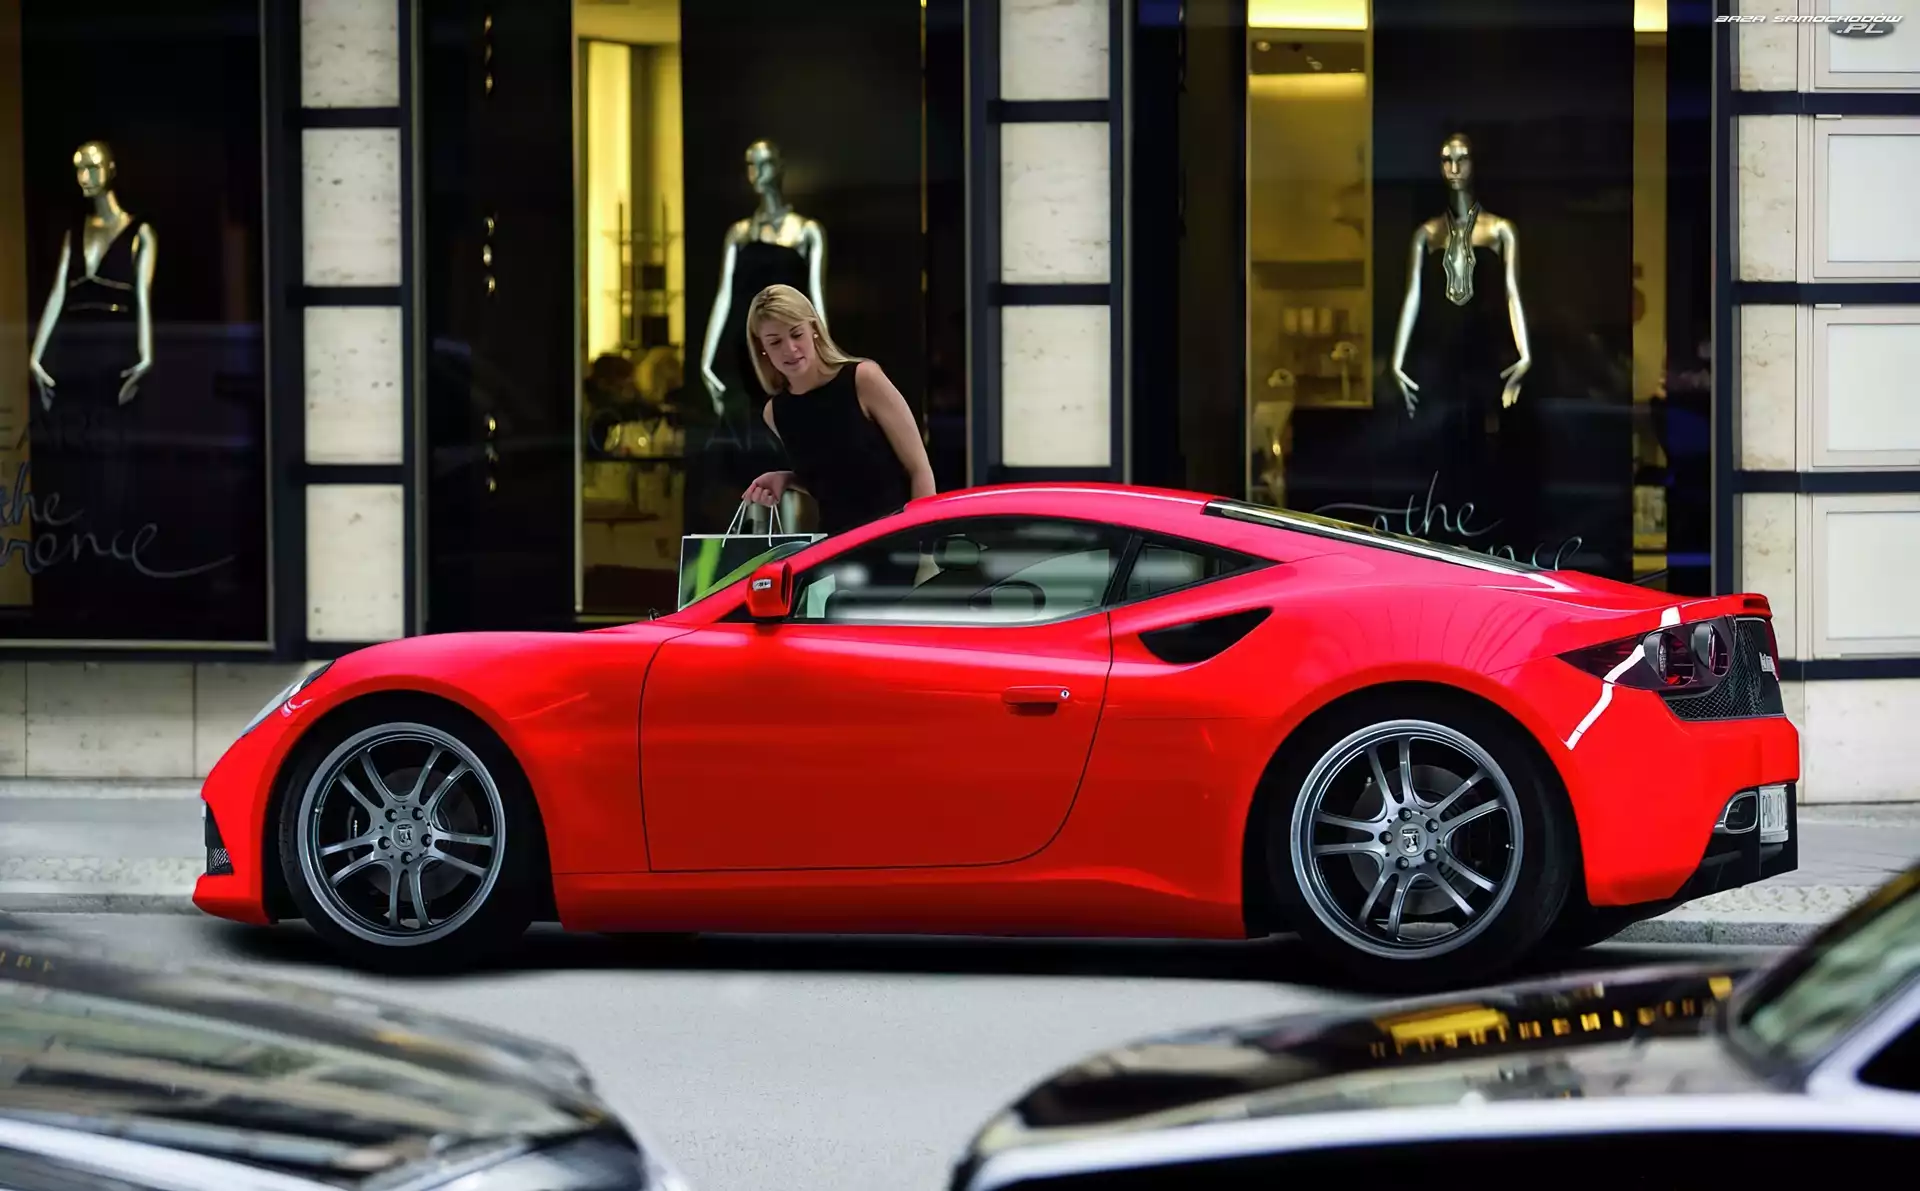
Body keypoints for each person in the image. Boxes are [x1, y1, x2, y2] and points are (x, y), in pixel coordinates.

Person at [740, 284, 935, 534]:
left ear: (814, 329)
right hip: (837, 548)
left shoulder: (863, 379)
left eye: (796, 334)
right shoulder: (776, 413)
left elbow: (919, 469)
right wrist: (786, 479)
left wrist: (923, 547)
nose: (790, 349)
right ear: (762, 349)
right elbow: (832, 483)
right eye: (775, 342)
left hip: (895, 541)